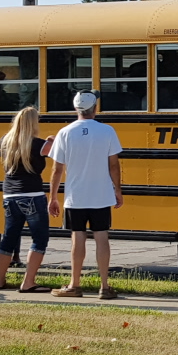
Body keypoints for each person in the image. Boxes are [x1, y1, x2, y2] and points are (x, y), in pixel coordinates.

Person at [48, 90, 123, 299]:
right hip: (101, 194)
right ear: (95, 109)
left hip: (76, 195)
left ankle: (75, 283)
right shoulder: (107, 131)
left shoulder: (65, 132)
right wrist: (117, 189)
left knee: (77, 237)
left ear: (75, 109)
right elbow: (114, 165)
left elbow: (57, 169)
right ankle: (105, 286)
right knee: (102, 237)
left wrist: (53, 197)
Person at [0, 106, 51, 293]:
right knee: (39, 238)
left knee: (8, 237)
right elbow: (55, 150)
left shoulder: (4, 142)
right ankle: (28, 281)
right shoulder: (38, 144)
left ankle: (0, 280)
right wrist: (51, 140)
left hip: (10, 195)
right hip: (32, 194)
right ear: (33, 123)